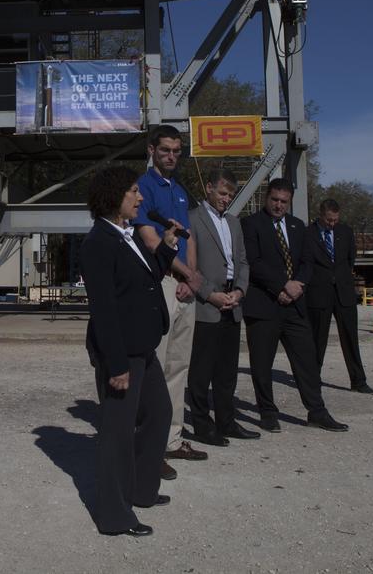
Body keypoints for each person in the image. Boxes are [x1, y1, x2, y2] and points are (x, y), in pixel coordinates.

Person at [81, 165, 186, 537]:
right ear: (114, 197)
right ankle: (114, 515)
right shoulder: (98, 243)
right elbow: (105, 310)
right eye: (133, 192)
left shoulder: (128, 236)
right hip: (122, 352)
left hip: (144, 346)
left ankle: (142, 490)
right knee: (118, 432)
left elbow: (148, 276)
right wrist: (116, 363)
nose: (140, 198)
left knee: (160, 413)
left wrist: (168, 243)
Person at [239, 178, 348, 433]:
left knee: (307, 360)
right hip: (264, 304)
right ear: (267, 198)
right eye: (275, 200)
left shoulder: (298, 226)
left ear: (289, 202)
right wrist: (281, 286)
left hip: (295, 305)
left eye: (283, 202)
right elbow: (253, 262)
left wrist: (297, 283)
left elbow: (308, 261)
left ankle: (317, 411)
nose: (278, 205)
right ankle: (267, 411)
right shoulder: (251, 224)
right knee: (262, 363)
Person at [134, 125, 204, 476]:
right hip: (160, 282)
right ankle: (148, 444)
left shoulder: (178, 189)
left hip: (183, 286)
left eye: (177, 150)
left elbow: (188, 236)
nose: (172, 156)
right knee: (155, 369)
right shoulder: (142, 188)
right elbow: (149, 240)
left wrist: (192, 275)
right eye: (165, 150)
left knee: (179, 366)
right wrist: (183, 274)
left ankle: (172, 439)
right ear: (152, 150)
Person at [185, 167, 258, 446]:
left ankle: (227, 422)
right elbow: (190, 269)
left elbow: (243, 261)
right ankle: (203, 427)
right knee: (201, 372)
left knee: (227, 372)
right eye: (223, 193)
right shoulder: (192, 220)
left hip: (233, 303)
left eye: (230, 195)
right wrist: (210, 295)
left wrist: (239, 290)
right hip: (207, 305)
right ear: (209, 188)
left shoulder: (234, 223)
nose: (226, 199)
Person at [305, 199, 373, 394]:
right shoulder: (308, 234)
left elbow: (350, 259)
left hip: (343, 293)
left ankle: (358, 380)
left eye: (335, 220)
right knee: (317, 339)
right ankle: (312, 378)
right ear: (321, 215)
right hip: (319, 294)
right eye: (329, 220)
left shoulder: (345, 232)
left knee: (350, 338)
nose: (332, 224)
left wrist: (342, 278)